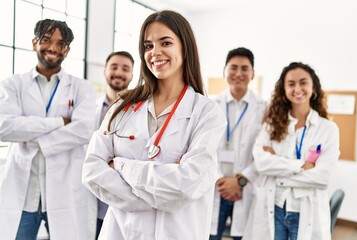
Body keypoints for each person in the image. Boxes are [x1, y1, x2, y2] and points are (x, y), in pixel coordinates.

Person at [82, 10, 227, 240]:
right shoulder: (122, 106)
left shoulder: (207, 113)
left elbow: (184, 185)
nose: (155, 52)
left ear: (185, 47)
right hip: (120, 232)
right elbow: (91, 171)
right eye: (148, 46)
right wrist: (161, 193)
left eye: (165, 42)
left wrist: (120, 166)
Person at [0, 19, 97, 239]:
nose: (53, 48)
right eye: (46, 40)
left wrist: (33, 138)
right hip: (24, 194)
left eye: (60, 43)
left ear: (67, 50)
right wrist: (59, 122)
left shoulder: (81, 88)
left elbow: (84, 130)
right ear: (34, 43)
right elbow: (4, 127)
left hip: (65, 190)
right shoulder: (12, 85)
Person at [243, 62, 340, 240]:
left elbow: (323, 177)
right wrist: (303, 165)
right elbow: (261, 163)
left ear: (313, 87)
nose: (297, 88)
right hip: (274, 207)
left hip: (305, 210)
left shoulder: (328, 129)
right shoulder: (271, 125)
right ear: (284, 90)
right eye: (291, 84)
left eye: (303, 82)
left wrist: (277, 169)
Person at [210, 47, 266, 240]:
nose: (238, 73)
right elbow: (201, 148)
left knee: (244, 236)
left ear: (253, 73)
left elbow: (266, 154)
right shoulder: (211, 105)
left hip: (246, 188)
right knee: (209, 235)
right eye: (233, 68)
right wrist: (220, 180)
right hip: (215, 187)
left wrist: (239, 182)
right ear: (224, 71)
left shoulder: (264, 109)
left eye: (245, 68)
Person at [95, 51, 134, 238]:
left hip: (121, 194)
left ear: (132, 75)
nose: (119, 72)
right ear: (105, 72)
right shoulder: (90, 109)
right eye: (114, 67)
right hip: (90, 198)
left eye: (125, 68)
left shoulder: (137, 110)